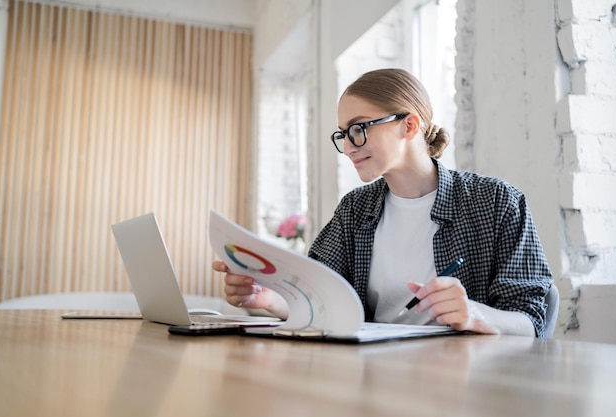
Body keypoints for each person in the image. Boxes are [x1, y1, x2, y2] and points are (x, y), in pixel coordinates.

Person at [213, 68, 553, 337]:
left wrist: (475, 314)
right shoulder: (355, 210)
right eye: (342, 134)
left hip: (468, 381)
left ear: (409, 125)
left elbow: (532, 321)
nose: (348, 147)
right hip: (373, 374)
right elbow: (321, 301)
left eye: (358, 129)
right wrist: (267, 298)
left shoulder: (495, 202)